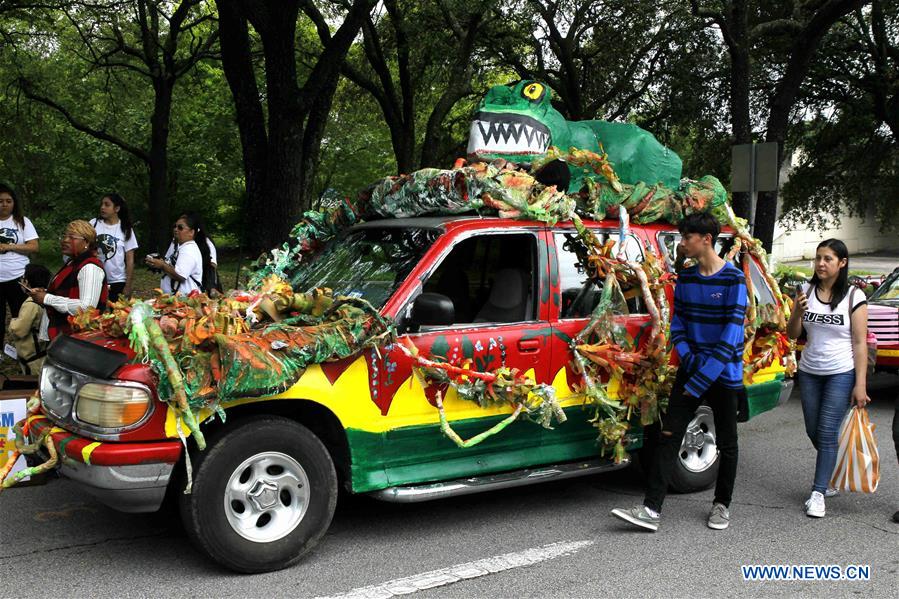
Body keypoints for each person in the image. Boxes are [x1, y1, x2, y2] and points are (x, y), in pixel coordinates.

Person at [611, 212, 747, 532]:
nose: (682, 242)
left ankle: (721, 505)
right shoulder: (686, 277)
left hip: (722, 373)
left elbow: (731, 336)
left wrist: (700, 377)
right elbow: (679, 322)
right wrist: (686, 356)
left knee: (727, 442)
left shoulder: (733, 279)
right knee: (668, 435)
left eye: (687, 237)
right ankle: (651, 510)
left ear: (706, 240)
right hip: (692, 368)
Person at [787, 238, 869, 518]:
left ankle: (818, 492)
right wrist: (797, 310)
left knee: (825, 431)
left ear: (842, 263)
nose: (821, 264)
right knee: (814, 430)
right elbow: (793, 333)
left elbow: (860, 343)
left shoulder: (854, 297)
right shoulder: (805, 290)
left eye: (828, 259)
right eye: (818, 258)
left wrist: (860, 385)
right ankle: (831, 468)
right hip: (810, 371)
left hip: (841, 373)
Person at [28, 220, 108, 341]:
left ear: (86, 242)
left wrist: (47, 298)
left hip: (76, 338)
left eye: (72, 237)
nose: (65, 240)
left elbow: (87, 308)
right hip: (63, 333)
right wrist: (44, 293)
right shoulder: (73, 262)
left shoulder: (89, 268)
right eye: (65, 236)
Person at [0, 183, 40, 349]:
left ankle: (25, 351)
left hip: (18, 277)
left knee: (22, 316)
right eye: (0, 201)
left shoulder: (22, 222)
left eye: (8, 201)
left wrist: (9, 246)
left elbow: (34, 247)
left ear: (14, 203)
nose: (4, 204)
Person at [91, 193, 138, 302]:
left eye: (107, 205)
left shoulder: (125, 229)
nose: (102, 207)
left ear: (116, 208)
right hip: (95, 278)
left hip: (117, 280)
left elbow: (130, 260)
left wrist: (128, 285)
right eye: (102, 204)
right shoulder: (94, 224)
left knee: (117, 314)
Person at [146, 213, 208, 295]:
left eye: (180, 227)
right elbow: (170, 265)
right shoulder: (180, 246)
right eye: (175, 226)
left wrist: (162, 265)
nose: (175, 229)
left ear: (191, 232)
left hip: (186, 300)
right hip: (176, 299)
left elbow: (180, 276)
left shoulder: (189, 250)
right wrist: (157, 263)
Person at [8, 263, 50, 374]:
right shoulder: (47, 296)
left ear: (27, 282)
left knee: (32, 386)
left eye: (23, 278)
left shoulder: (31, 304)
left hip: (33, 359)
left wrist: (13, 321)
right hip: (43, 353)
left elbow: (19, 330)